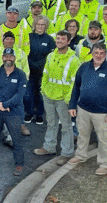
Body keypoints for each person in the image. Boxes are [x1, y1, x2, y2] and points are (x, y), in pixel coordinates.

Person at [68, 42, 107, 176]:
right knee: (82, 135)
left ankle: (105, 164)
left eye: (102, 53)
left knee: (104, 140)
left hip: (102, 113)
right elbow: (76, 87)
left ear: (105, 54)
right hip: (83, 110)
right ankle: (81, 155)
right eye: (96, 53)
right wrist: (72, 105)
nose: (99, 56)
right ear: (92, 54)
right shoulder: (84, 67)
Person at [35, 30, 81, 164]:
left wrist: (68, 99)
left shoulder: (74, 60)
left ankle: (67, 153)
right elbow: (45, 75)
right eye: (58, 38)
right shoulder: (50, 56)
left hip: (63, 98)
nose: (59, 41)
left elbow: (74, 82)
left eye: (63, 39)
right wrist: (43, 90)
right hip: (48, 95)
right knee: (51, 123)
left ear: (68, 41)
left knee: (66, 126)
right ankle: (49, 147)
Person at [0, 47, 28, 175]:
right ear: (2, 58)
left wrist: (6, 104)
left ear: (14, 58)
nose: (8, 59)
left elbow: (20, 95)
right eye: (6, 56)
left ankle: (19, 164)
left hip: (13, 111)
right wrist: (0, 104)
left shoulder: (21, 74)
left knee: (16, 138)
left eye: (11, 56)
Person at [26, 16, 55, 125]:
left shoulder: (49, 40)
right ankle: (29, 113)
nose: (40, 27)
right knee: (28, 95)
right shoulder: (28, 37)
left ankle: (39, 115)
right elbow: (24, 52)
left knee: (40, 95)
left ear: (46, 26)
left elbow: (51, 57)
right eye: (38, 24)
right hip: (29, 71)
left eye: (42, 24)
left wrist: (40, 65)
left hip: (42, 73)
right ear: (34, 25)